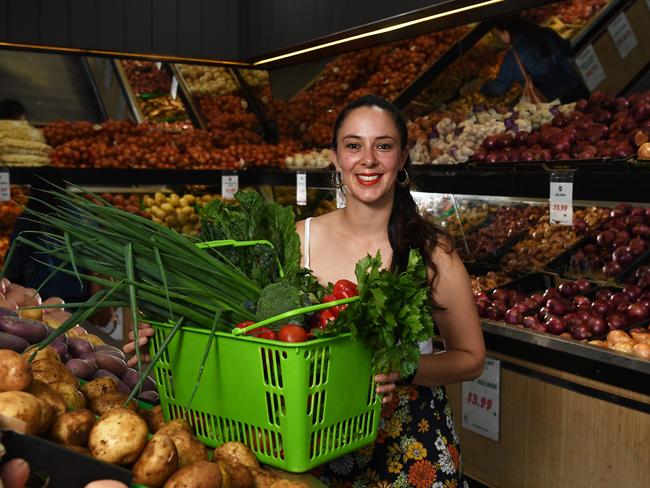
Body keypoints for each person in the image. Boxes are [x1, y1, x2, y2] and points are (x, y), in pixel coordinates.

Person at [124, 96, 485, 486]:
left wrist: (407, 370)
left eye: (383, 145)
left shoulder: (432, 252)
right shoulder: (298, 240)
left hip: (410, 444)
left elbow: (471, 358)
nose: (368, 159)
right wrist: (169, 339)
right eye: (353, 145)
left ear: (401, 158)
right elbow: (248, 331)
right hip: (310, 441)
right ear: (335, 157)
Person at [481, 16, 590, 104]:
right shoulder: (546, 33)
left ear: (506, 33)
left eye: (500, 34)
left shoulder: (512, 58)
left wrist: (482, 88)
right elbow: (569, 50)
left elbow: (499, 88)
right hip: (576, 87)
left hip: (554, 103)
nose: (501, 38)